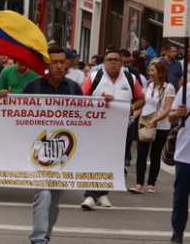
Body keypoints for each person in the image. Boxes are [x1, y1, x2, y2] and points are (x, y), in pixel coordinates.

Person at [20, 46, 83, 244]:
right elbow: (16, 116)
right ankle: (38, 239)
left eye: (61, 62)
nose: (58, 66)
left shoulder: (74, 88)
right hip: (38, 152)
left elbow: (86, 117)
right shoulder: (33, 87)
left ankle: (46, 235)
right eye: (54, 62)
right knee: (43, 194)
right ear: (47, 63)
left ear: (67, 63)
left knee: (54, 200)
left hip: (63, 154)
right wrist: (4, 100)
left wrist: (106, 104)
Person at [80, 48, 145, 210]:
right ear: (104, 63)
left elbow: (141, 99)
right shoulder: (94, 77)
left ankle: (102, 194)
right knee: (95, 159)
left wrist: (130, 108)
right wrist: (99, 101)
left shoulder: (130, 78)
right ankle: (90, 195)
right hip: (96, 127)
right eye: (109, 60)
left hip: (121, 127)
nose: (113, 62)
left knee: (113, 160)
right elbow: (80, 98)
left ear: (122, 63)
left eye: (116, 60)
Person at [129, 61, 174, 194]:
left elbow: (167, 108)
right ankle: (139, 183)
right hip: (145, 124)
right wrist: (133, 116)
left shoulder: (168, 87)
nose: (150, 73)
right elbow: (143, 104)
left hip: (161, 126)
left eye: (152, 70)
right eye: (149, 70)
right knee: (141, 154)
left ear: (160, 72)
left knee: (155, 155)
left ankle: (151, 183)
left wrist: (155, 120)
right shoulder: (148, 86)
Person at [169, 80, 190, 244]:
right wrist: (178, 114)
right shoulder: (186, 89)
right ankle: (177, 232)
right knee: (180, 198)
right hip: (185, 155)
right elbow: (171, 117)